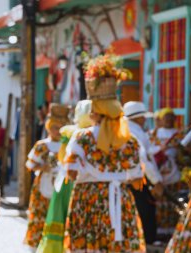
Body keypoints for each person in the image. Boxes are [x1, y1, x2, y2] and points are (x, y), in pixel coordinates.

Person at [63, 94, 145, 250]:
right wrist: (115, 174)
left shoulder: (82, 137)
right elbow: (136, 181)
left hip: (89, 198)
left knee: (88, 241)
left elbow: (71, 173)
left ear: (95, 114)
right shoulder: (130, 140)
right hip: (119, 197)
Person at [37, 100, 92, 253]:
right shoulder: (70, 133)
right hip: (70, 181)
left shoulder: (74, 133)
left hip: (72, 181)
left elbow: (62, 158)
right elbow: (61, 159)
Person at [24, 104, 69, 250]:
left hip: (61, 187)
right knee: (39, 217)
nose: (57, 131)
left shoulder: (67, 146)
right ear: (49, 127)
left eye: (61, 128)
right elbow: (30, 165)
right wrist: (43, 167)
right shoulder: (42, 145)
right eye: (55, 127)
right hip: (42, 187)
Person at [124, 101, 164, 244]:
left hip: (134, 178)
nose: (144, 119)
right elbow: (144, 160)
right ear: (136, 118)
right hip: (137, 179)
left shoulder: (134, 131)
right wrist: (156, 181)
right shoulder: (133, 133)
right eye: (142, 117)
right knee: (145, 209)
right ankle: (147, 240)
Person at [149, 108, 186, 236]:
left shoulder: (179, 135)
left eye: (171, 117)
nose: (169, 120)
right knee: (160, 205)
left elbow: (185, 155)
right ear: (160, 119)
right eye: (166, 117)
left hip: (174, 175)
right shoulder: (153, 134)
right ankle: (160, 232)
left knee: (174, 204)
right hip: (159, 176)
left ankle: (174, 232)